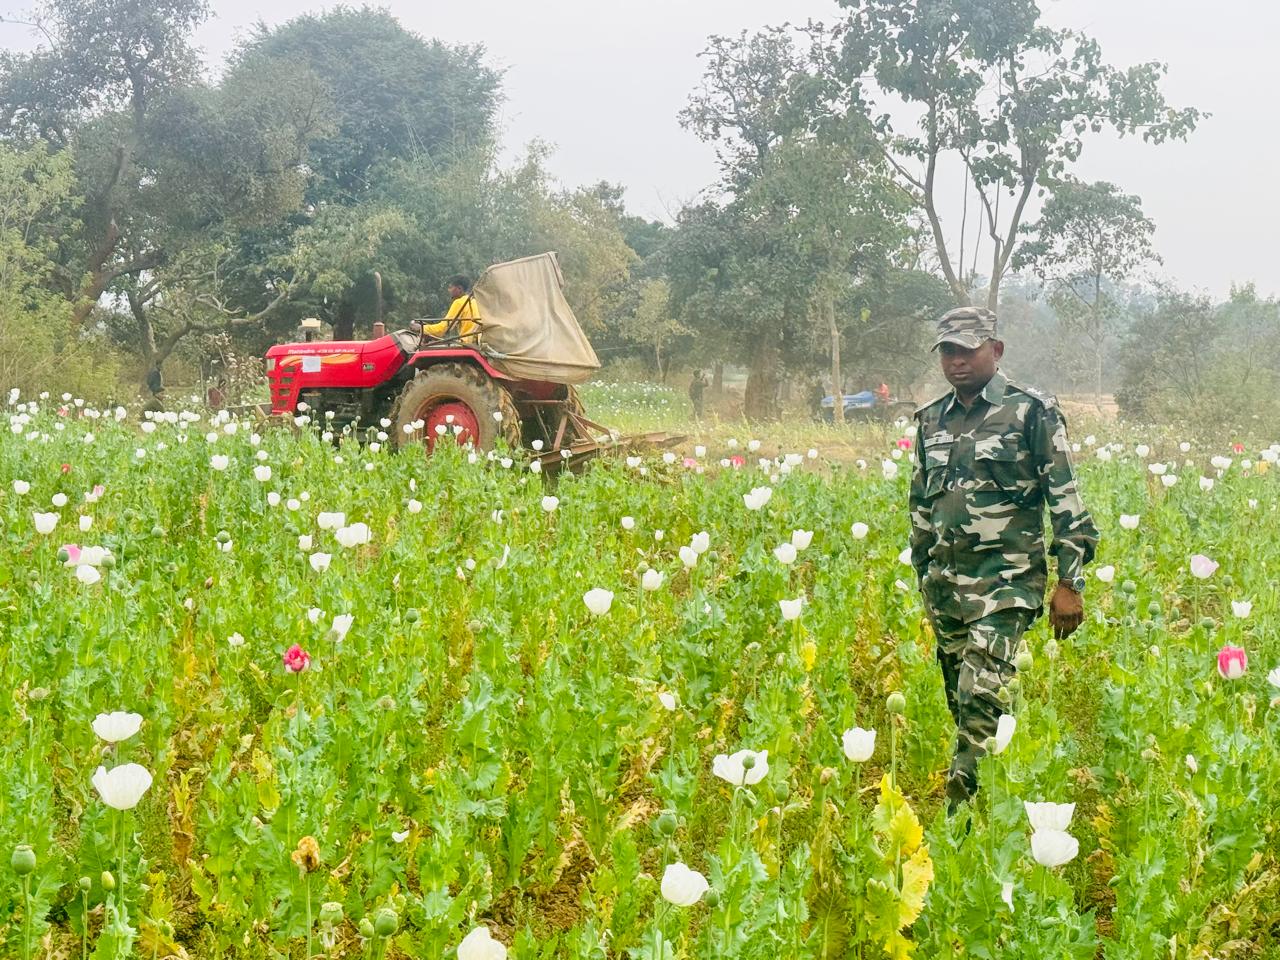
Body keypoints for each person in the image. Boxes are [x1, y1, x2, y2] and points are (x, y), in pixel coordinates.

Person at [908, 306, 1098, 811]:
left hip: (1005, 583)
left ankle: (958, 824)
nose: (956, 361)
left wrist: (1070, 582)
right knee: (964, 702)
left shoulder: (1031, 412)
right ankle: (1001, 789)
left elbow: (1066, 499)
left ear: (996, 350)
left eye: (967, 349)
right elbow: (921, 503)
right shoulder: (931, 419)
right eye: (948, 351)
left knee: (980, 698)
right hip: (947, 586)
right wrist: (923, 571)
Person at [422, 275, 480, 342]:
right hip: (476, 342)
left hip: (466, 342)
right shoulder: (474, 301)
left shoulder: (459, 302)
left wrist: (421, 328)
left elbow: (442, 329)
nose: (449, 290)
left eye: (450, 287)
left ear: (459, 289)